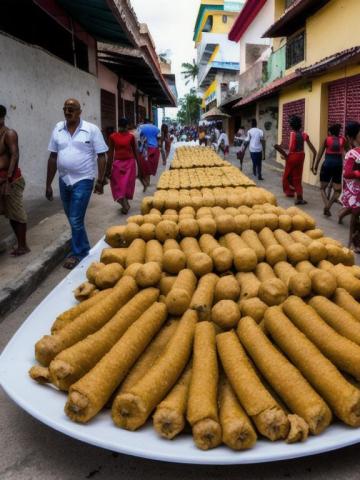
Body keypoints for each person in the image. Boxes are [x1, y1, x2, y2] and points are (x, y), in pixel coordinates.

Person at [46, 98, 108, 269]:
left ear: (80, 111)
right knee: (73, 218)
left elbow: (102, 155)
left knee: (75, 218)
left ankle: (79, 253)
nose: (68, 112)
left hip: (84, 179)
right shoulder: (58, 129)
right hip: (64, 179)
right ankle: (82, 247)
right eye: (65, 108)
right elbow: (52, 157)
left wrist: (101, 180)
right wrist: (48, 184)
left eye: (72, 109)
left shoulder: (91, 130)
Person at [0, 105, 30, 256]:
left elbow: (15, 155)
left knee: (16, 213)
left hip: (11, 180)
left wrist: (7, 180)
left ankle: (23, 246)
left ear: (2, 117)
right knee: (9, 214)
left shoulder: (9, 133)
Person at [275, 115, 317, 205]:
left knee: (287, 176)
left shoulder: (292, 134)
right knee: (298, 177)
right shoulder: (304, 135)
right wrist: (314, 155)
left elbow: (291, 148)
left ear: (291, 126)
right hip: (301, 156)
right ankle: (299, 197)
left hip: (292, 156)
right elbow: (312, 149)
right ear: (300, 125)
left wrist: (285, 156)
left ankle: (290, 192)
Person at [105, 118, 143, 215]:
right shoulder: (113, 137)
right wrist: (108, 170)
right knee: (117, 186)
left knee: (125, 186)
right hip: (119, 164)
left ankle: (125, 205)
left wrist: (140, 168)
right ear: (127, 126)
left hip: (129, 164)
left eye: (124, 127)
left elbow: (135, 152)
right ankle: (125, 204)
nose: (123, 129)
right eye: (123, 127)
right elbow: (110, 155)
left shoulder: (130, 137)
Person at [312, 124, 346, 216]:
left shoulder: (327, 140)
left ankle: (326, 206)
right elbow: (345, 154)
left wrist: (315, 166)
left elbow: (320, 154)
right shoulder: (343, 140)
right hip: (338, 166)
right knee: (337, 190)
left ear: (330, 132)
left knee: (322, 188)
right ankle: (328, 206)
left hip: (327, 165)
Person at [339, 121, 360, 252]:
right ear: (353, 137)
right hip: (355, 189)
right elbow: (347, 173)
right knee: (355, 214)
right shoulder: (351, 154)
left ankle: (356, 240)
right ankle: (350, 242)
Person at [138, 118, 160, 186]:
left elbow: (139, 138)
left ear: (144, 122)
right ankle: (148, 181)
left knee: (144, 165)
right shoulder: (156, 128)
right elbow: (158, 138)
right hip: (155, 148)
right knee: (150, 165)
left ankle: (146, 181)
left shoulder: (141, 127)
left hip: (145, 149)